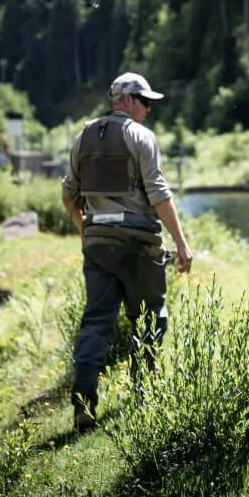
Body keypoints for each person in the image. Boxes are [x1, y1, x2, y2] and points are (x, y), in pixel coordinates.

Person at [61, 71, 194, 433]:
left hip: (97, 241)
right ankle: (143, 396)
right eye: (145, 101)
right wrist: (182, 243)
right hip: (139, 243)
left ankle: (83, 406)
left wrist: (86, 231)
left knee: (95, 323)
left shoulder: (83, 137)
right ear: (128, 100)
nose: (148, 109)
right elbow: (158, 194)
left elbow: (68, 194)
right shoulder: (141, 136)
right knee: (149, 317)